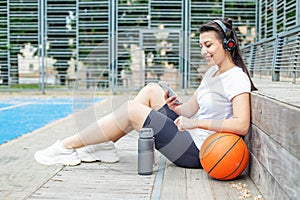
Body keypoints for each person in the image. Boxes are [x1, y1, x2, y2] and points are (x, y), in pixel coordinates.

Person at [34, 18, 257, 168]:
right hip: (191, 136)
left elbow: (241, 125)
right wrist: (174, 107)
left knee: (132, 110)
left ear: (227, 44)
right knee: (152, 90)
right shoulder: (212, 74)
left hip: (198, 152)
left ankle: (66, 146)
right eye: (200, 46)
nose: (203, 51)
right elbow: (190, 109)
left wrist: (196, 124)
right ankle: (105, 144)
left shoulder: (236, 78)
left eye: (208, 45)